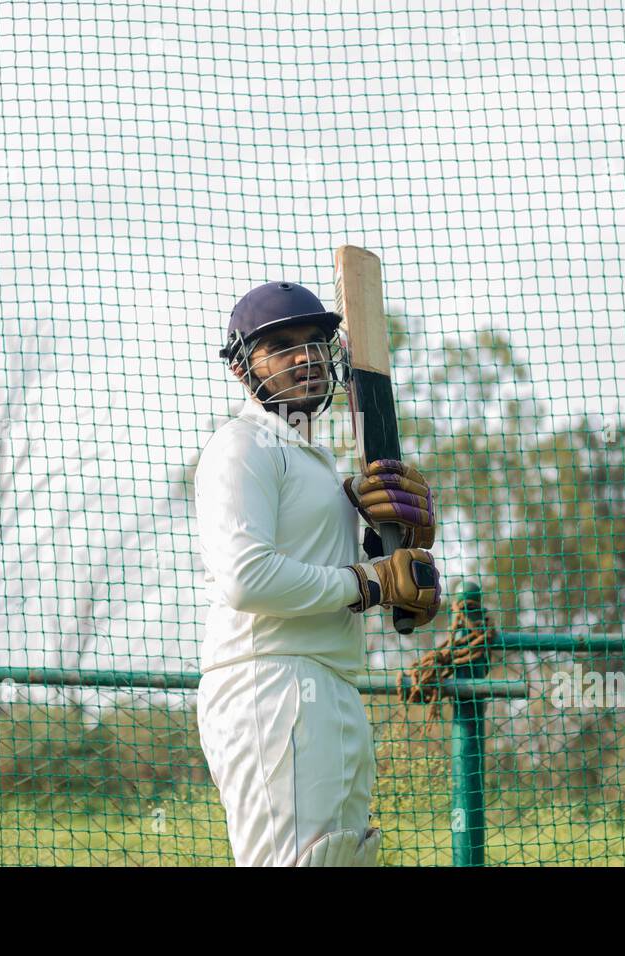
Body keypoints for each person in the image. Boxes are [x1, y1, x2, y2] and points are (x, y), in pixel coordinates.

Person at [193, 279, 442, 866]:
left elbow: (332, 573)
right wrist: (372, 582)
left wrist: (394, 557)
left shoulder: (318, 465)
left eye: (313, 342)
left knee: (342, 858)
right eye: (281, 346)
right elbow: (246, 578)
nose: (305, 357)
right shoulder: (240, 446)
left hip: (327, 681)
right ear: (240, 369)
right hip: (270, 684)